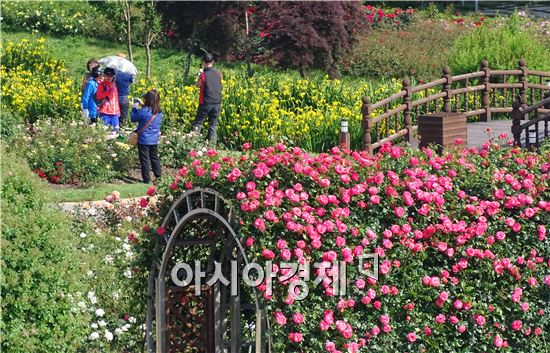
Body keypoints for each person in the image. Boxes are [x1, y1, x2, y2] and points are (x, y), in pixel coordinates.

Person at [131, 90, 163, 184]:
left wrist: (134, 107)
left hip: (144, 139)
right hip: (154, 139)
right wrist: (143, 105)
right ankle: (158, 176)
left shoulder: (144, 111)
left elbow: (133, 118)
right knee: (154, 157)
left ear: (147, 100)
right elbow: (149, 111)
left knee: (144, 159)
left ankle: (146, 179)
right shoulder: (159, 111)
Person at [192, 53, 223, 146]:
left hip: (205, 103)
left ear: (203, 62)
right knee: (213, 125)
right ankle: (212, 146)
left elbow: (198, 85)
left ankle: (193, 144)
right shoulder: (219, 73)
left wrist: (199, 75)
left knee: (198, 123)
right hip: (217, 102)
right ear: (212, 62)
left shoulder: (203, 75)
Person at [96, 67, 121, 131]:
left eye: (111, 75)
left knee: (115, 131)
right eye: (107, 75)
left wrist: (118, 109)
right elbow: (98, 96)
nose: (109, 77)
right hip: (105, 112)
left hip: (114, 112)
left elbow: (116, 99)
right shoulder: (101, 85)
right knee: (104, 131)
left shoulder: (114, 85)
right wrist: (108, 92)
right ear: (104, 75)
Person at [114, 53, 134, 127]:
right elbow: (131, 82)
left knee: (114, 119)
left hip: (114, 98)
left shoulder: (113, 74)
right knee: (122, 119)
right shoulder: (129, 74)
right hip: (124, 98)